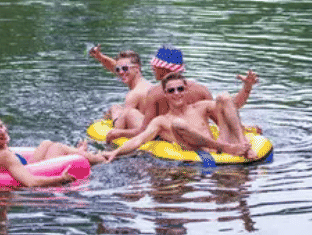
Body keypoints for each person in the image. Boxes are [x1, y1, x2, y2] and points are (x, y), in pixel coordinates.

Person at [101, 46, 258, 142]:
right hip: (199, 137)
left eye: (155, 66)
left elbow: (144, 131)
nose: (152, 69)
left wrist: (117, 133)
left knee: (126, 112)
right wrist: (246, 89)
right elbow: (221, 114)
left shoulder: (155, 93)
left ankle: (114, 119)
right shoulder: (200, 89)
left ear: (163, 68)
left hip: (169, 139)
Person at [101, 72, 258, 162]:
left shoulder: (200, 107)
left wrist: (247, 87)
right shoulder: (162, 121)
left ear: (185, 90)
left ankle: (244, 145)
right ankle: (226, 147)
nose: (176, 93)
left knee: (223, 97)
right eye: (171, 91)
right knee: (177, 124)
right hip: (199, 155)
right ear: (165, 94)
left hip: (223, 151)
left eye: (180, 89)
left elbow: (233, 105)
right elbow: (139, 139)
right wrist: (115, 152)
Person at [0, 108, 107, 187]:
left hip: (25, 167)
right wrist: (60, 179)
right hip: (31, 173)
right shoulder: (5, 156)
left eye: (1, 126)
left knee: (46, 143)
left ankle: (85, 153)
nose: (3, 131)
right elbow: (30, 182)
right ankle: (101, 158)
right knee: (58, 147)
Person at [88, 46, 152, 134]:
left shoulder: (133, 94)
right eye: (118, 69)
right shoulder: (146, 84)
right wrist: (100, 56)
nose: (121, 72)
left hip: (143, 133)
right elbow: (114, 66)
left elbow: (119, 127)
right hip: (149, 124)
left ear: (137, 68)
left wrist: (114, 113)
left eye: (125, 68)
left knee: (115, 108)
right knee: (117, 108)